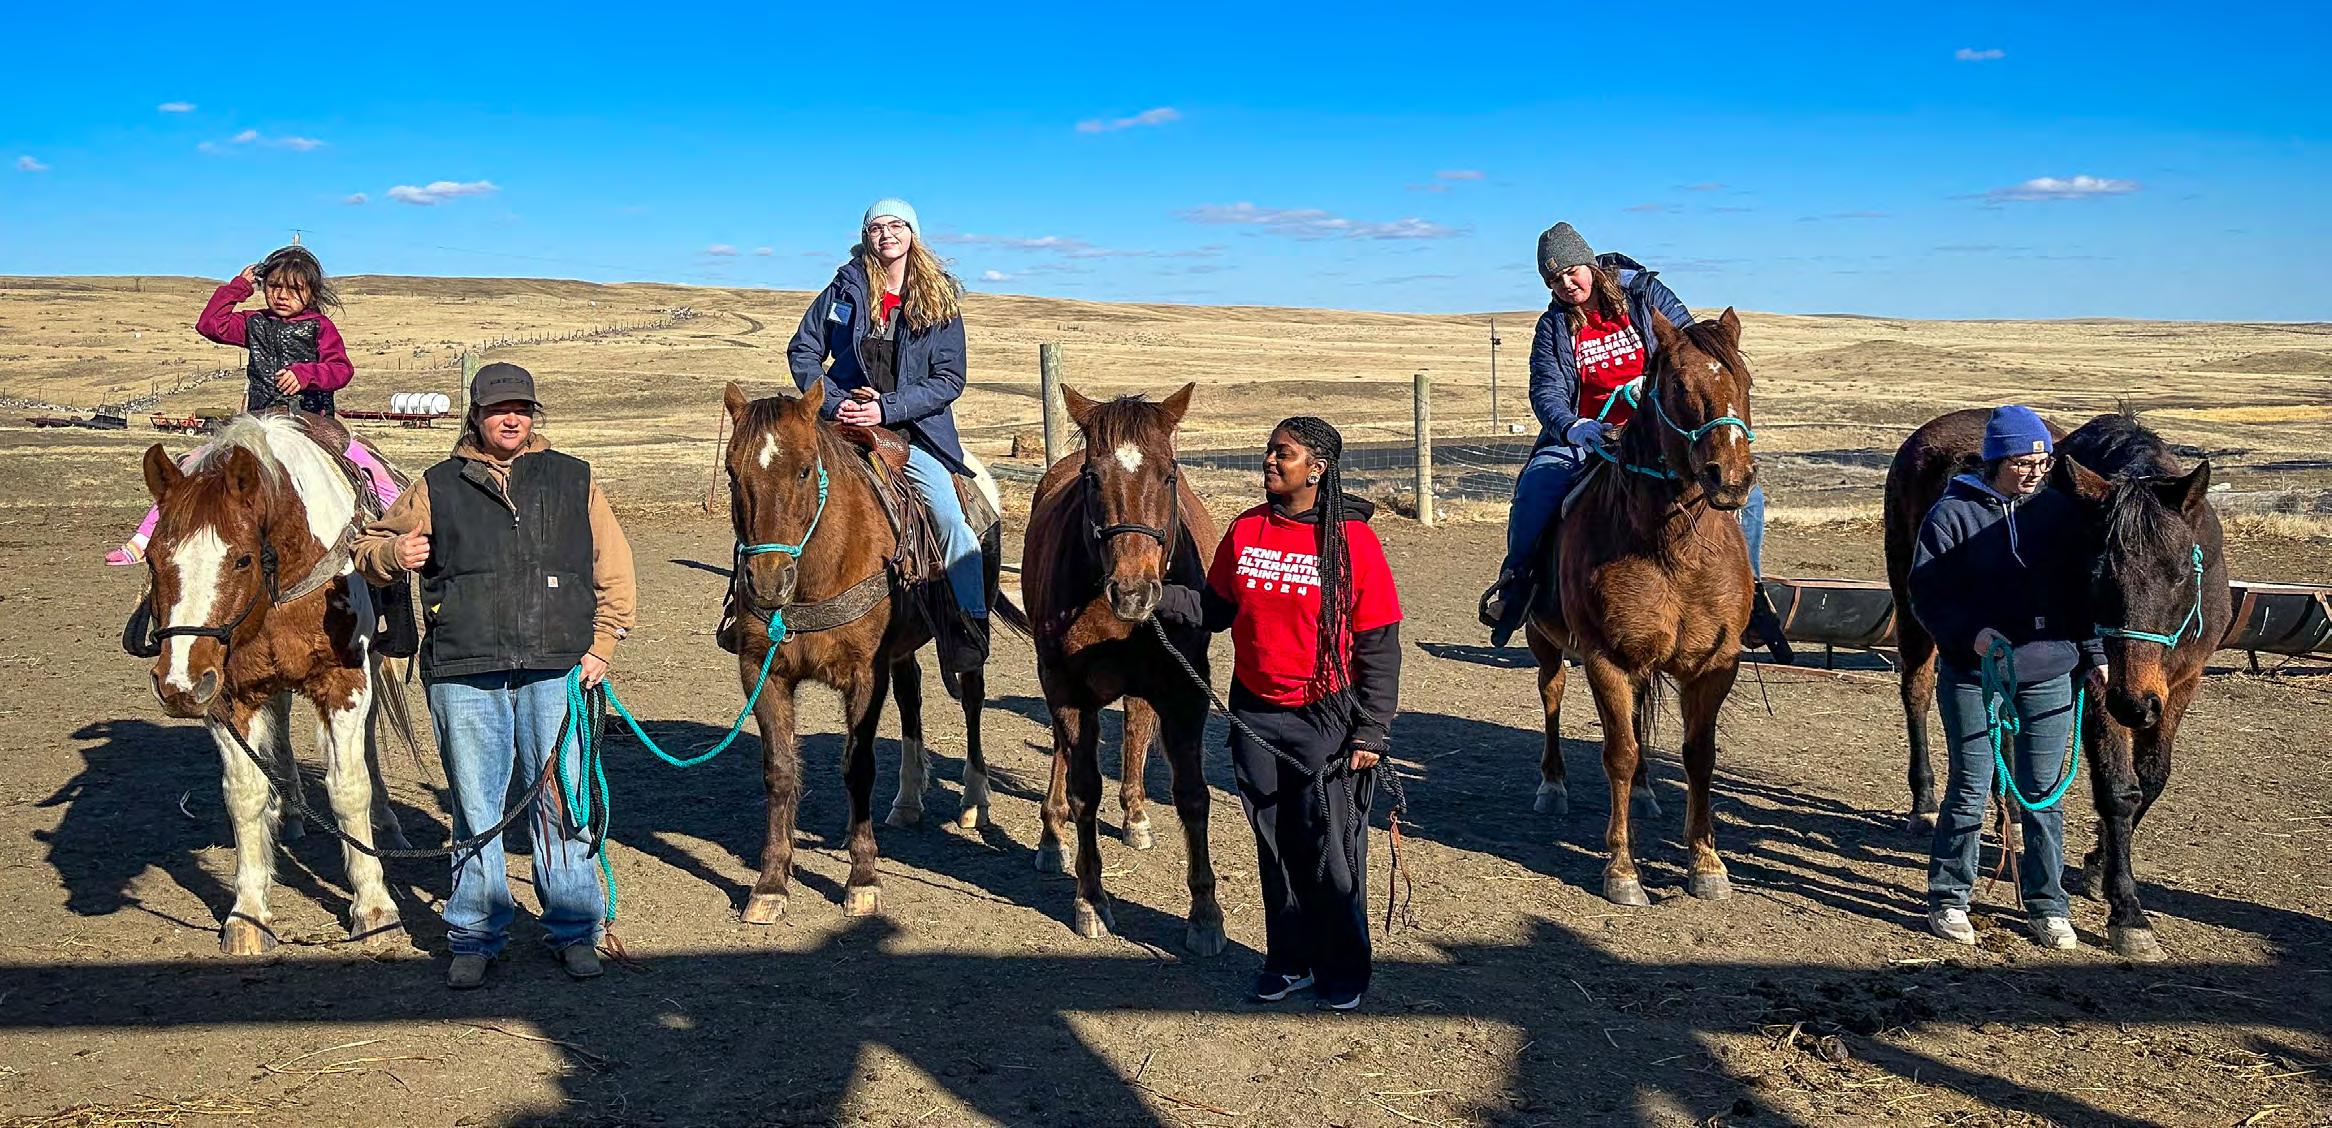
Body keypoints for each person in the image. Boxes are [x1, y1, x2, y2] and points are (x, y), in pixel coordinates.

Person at [352, 363, 638, 989]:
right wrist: (393, 554)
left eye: (522, 409)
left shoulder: (574, 479)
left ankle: (575, 929)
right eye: (498, 409)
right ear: (476, 416)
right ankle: (476, 934)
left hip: (558, 666)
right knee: (475, 805)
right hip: (464, 665)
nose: (512, 419)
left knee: (561, 800)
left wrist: (603, 644)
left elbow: (613, 567)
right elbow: (368, 549)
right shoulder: (435, 486)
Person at [1157, 417, 1401, 1012]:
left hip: (1327, 717)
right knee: (1274, 843)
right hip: (1255, 715)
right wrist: (1149, 596)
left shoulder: (1354, 543)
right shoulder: (1246, 530)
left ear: (1317, 469)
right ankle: (1288, 960)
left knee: (1329, 848)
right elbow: (1214, 609)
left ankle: (1342, 967)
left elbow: (1378, 641)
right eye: (1269, 450)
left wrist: (1372, 728)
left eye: (1283, 453)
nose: (1270, 460)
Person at [1476, 223, 1786, 657]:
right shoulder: (1554, 327)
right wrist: (1572, 426)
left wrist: (1656, 381)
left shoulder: (1643, 294)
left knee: (1746, 495)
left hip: (1660, 431)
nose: (1566, 285)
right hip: (1589, 434)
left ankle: (1750, 594)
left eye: (1571, 272)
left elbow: (1691, 348)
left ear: (1589, 264)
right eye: (1554, 280)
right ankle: (1518, 584)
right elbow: (1546, 391)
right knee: (1538, 485)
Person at [1907, 404, 2101, 952]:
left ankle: (2048, 905)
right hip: (1975, 673)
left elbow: (2083, 592)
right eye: (2023, 462)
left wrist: (2093, 652)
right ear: (1996, 460)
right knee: (1969, 788)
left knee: (2042, 796)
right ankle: (1949, 897)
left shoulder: (2059, 514)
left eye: (2043, 462)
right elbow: (1928, 595)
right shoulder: (1950, 516)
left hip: (2051, 672)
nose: (2036, 472)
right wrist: (1969, 635)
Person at [786, 198, 985, 670]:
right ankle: (746, 608)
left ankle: (969, 623)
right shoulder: (843, 289)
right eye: (877, 227)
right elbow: (804, 350)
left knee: (949, 516)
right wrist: (836, 403)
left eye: (897, 225)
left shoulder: (939, 298)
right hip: (842, 423)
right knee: (777, 489)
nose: (887, 234)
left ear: (913, 234)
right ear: (865, 236)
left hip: (911, 432)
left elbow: (948, 378)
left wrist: (886, 407)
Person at [107, 246, 400, 565]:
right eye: (274, 286)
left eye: (294, 289)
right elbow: (210, 325)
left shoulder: (320, 327)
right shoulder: (254, 322)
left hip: (310, 420)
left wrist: (306, 375)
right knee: (193, 465)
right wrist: (238, 287)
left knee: (365, 461)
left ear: (311, 292)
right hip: (258, 420)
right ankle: (144, 538)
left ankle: (395, 518)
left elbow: (341, 369)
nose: (282, 295)